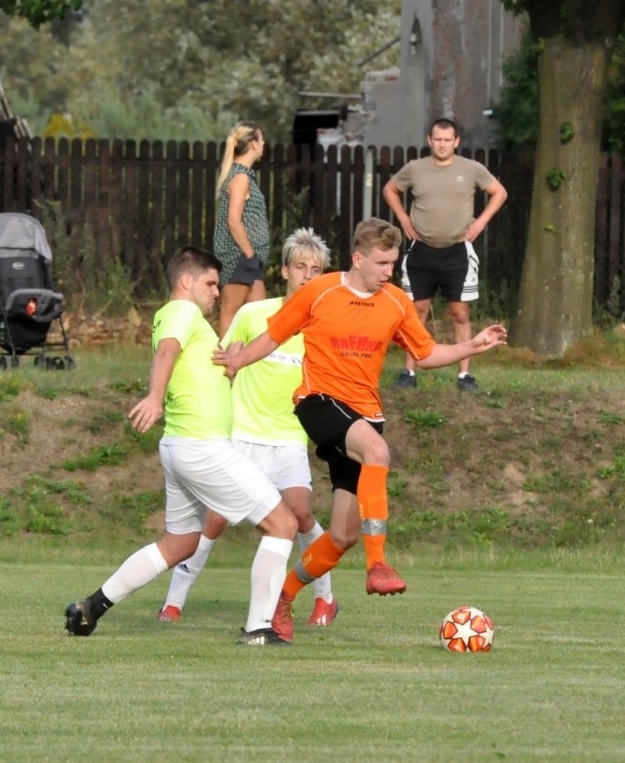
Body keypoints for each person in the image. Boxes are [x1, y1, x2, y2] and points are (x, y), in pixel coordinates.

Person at [219, 218, 507, 640]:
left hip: (365, 414)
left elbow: (424, 354)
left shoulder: (395, 302)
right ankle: (378, 565)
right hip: (318, 402)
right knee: (378, 452)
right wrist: (236, 361)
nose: (389, 271)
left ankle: (283, 598)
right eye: (381, 262)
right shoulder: (320, 291)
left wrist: (472, 345)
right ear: (358, 258)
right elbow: (273, 336)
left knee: (341, 535)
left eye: (393, 262)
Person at [64, 247, 299, 646]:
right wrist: (154, 397)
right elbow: (167, 352)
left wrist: (231, 360)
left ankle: (93, 606)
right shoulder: (182, 311)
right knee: (284, 524)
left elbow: (192, 363)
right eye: (210, 283)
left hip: (180, 446)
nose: (216, 292)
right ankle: (259, 629)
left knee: (181, 543)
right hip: (202, 445)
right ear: (186, 282)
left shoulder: (189, 322)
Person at [157, 229, 340, 629]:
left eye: (317, 270)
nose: (308, 276)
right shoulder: (255, 314)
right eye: (300, 267)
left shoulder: (325, 325)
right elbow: (220, 359)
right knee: (215, 519)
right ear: (285, 270)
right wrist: (231, 358)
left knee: (303, 514)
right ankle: (174, 601)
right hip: (242, 434)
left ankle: (325, 599)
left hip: (288, 438)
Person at [382, 117, 507, 393]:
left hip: (457, 252)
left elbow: (499, 192)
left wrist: (480, 222)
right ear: (429, 140)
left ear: (456, 142)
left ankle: (465, 376)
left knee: (460, 313)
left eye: (447, 140)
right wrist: (402, 217)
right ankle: (408, 372)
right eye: (437, 139)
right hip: (421, 251)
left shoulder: (471, 168)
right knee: (416, 312)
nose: (442, 144)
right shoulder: (415, 169)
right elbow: (390, 189)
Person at [212, 122, 271, 337]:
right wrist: (249, 253)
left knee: (260, 314)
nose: (264, 143)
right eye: (261, 139)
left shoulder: (243, 175)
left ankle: (251, 363)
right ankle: (225, 362)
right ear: (253, 144)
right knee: (231, 311)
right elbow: (233, 221)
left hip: (249, 259)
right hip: (239, 257)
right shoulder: (240, 178)